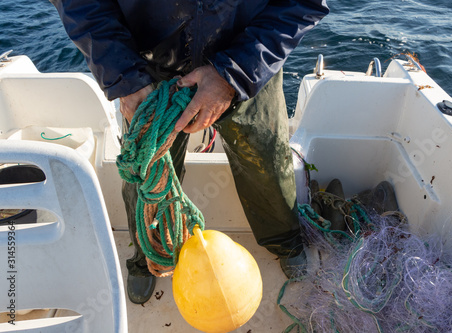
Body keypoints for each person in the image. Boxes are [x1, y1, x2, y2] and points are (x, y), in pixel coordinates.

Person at [51, 0, 329, 304]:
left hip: (247, 56)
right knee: (146, 175)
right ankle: (148, 255)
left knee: (266, 162)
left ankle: (284, 241)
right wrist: (125, 77)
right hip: (147, 70)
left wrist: (232, 75)